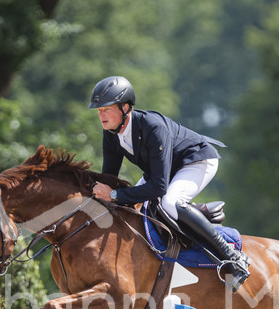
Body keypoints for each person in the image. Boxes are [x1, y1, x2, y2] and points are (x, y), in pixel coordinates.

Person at [88, 75, 250, 288]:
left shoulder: (152, 127)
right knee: (131, 209)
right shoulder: (111, 133)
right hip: (163, 170)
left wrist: (116, 195)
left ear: (125, 107)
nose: (101, 115)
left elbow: (158, 187)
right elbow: (109, 178)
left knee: (170, 203)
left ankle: (231, 257)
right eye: (99, 111)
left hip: (196, 160)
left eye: (106, 109)